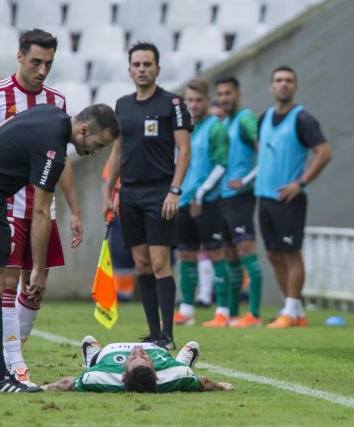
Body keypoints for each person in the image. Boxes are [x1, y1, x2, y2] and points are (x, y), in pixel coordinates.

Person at [0, 103, 117, 393]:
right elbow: (41, 212)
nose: (97, 151)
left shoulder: (50, 113)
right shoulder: (53, 147)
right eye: (98, 144)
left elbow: (0, 128)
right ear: (84, 129)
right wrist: (38, 270)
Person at [0, 29, 83, 386]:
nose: (42, 70)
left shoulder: (56, 101)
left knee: (36, 286)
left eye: (48, 64)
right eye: (35, 62)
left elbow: (61, 160)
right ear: (19, 56)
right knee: (5, 281)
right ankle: (12, 364)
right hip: (3, 204)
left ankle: (13, 356)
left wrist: (75, 209)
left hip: (42, 206)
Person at [102, 42, 192, 348]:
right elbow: (117, 152)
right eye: (137, 65)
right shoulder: (122, 105)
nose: (142, 69)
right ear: (129, 70)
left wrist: (174, 190)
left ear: (157, 68)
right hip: (129, 193)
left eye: (147, 64)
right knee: (141, 264)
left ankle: (168, 335)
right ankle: (154, 334)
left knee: (159, 262)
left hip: (160, 192)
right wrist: (108, 192)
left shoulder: (172, 103)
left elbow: (184, 150)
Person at [253, 67, 332, 329]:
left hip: (289, 199)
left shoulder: (303, 119)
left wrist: (300, 183)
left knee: (291, 253)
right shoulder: (264, 118)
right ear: (271, 86)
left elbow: (324, 153)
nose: (283, 84)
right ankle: (293, 311)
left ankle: (290, 309)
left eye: (288, 80)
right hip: (264, 197)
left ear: (295, 87)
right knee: (273, 254)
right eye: (278, 80)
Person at [173, 79, 229, 326]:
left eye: (198, 100)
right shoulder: (181, 128)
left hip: (207, 201)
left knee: (215, 252)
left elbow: (221, 165)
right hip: (183, 199)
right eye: (190, 100)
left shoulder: (216, 128)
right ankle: (186, 309)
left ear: (207, 100)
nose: (194, 105)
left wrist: (201, 192)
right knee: (186, 252)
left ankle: (223, 310)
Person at [211, 76, 264, 328]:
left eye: (228, 93)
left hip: (241, 197)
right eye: (220, 94)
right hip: (223, 197)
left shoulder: (245, 118)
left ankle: (253, 314)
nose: (224, 98)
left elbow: (264, 149)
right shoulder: (226, 122)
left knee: (245, 250)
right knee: (230, 254)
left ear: (238, 94)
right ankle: (232, 314)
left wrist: (246, 179)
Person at [41, 337, 232, 392]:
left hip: (108, 352)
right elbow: (204, 381)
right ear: (155, 373)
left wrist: (47, 386)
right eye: (145, 359)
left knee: (89, 342)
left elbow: (68, 383)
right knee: (192, 348)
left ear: (123, 375)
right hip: (162, 356)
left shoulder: (101, 378)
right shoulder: (172, 376)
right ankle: (182, 362)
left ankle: (90, 357)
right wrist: (222, 386)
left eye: (132, 359)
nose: (137, 352)